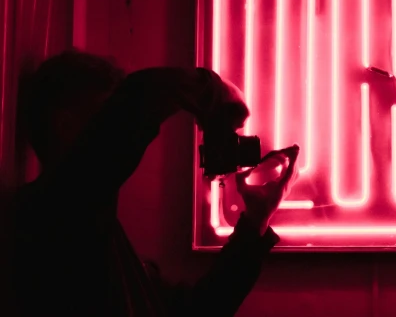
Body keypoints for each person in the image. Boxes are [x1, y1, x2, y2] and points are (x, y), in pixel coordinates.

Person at [11, 49, 295, 316]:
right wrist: (212, 91)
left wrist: (255, 222)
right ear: (65, 126)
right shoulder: (46, 213)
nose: (114, 131)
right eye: (105, 116)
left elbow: (197, 310)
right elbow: (137, 99)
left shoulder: (101, 236)